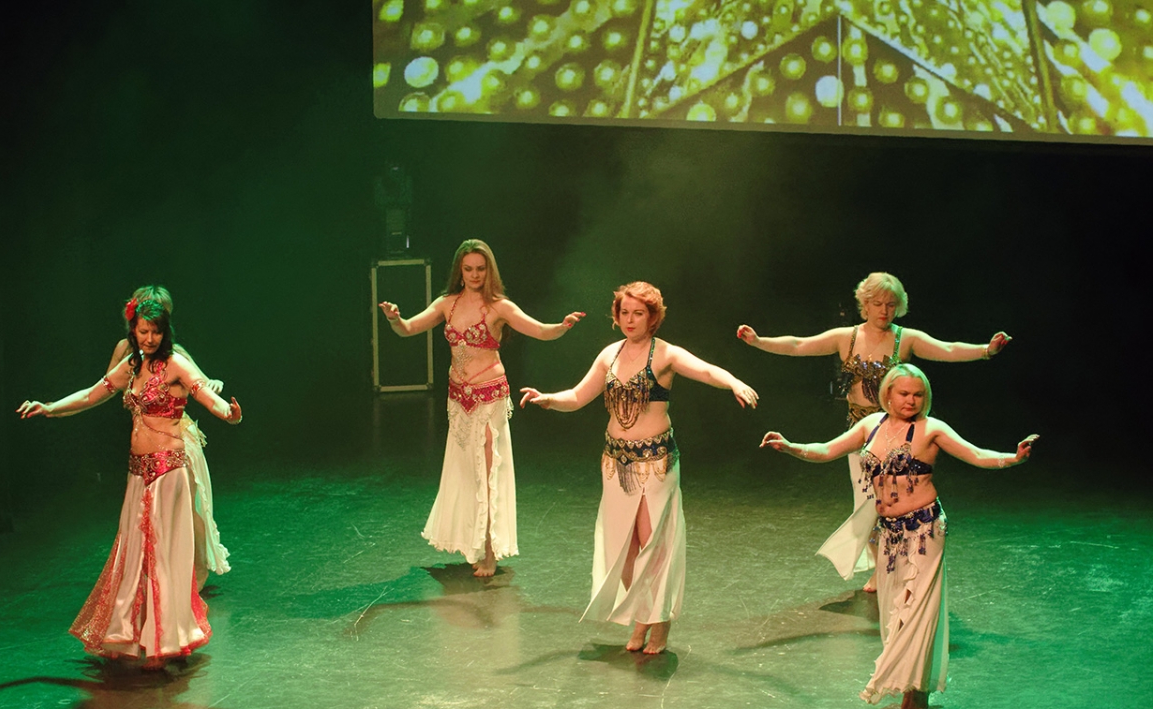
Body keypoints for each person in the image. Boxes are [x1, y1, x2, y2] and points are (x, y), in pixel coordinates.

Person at [760, 363, 1036, 709]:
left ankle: (909, 695)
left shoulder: (932, 429)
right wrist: (791, 447)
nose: (911, 400)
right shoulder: (870, 425)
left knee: (917, 610)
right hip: (888, 534)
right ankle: (918, 690)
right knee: (893, 613)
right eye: (904, 393)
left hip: (925, 531)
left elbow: (977, 454)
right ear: (888, 393)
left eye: (918, 395)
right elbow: (827, 450)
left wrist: (1013, 458)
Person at [520, 282, 759, 654]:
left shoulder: (665, 354)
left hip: (656, 464)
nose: (630, 320)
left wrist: (734, 383)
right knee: (624, 550)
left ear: (652, 318)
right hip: (616, 463)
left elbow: (707, 370)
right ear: (616, 316)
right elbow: (579, 396)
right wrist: (549, 399)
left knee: (653, 546)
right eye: (624, 313)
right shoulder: (609, 355)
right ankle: (643, 616)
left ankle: (658, 623)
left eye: (638, 313)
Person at [737, 272, 1011, 592]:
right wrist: (759, 341)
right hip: (861, 433)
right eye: (878, 304)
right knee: (867, 506)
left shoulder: (906, 338)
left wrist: (986, 350)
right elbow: (799, 345)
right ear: (864, 304)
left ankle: (903, 562)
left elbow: (948, 349)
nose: (884, 310)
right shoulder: (846, 337)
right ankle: (881, 566)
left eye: (891, 305)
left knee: (897, 503)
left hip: (900, 435)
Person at [18, 298, 241, 666]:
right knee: (134, 552)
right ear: (133, 332)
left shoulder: (176, 364)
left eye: (155, 332)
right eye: (143, 332)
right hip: (137, 472)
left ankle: (166, 638)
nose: (149, 338)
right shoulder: (132, 366)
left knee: (162, 554)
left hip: (168, 472)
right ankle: (137, 635)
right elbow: (91, 395)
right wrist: (50, 407)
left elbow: (206, 396)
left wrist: (229, 415)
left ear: (165, 333)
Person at [378, 239, 585, 577]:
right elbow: (409, 328)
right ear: (459, 271)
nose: (474, 275)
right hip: (459, 400)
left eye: (480, 269)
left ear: (489, 271)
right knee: (466, 473)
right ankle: (472, 544)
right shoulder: (447, 304)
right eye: (468, 269)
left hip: (489, 398)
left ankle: (490, 551)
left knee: (489, 474)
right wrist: (394, 319)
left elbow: (539, 330)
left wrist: (561, 327)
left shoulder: (500, 307)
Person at [106, 286, 231, 588]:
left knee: (187, 505)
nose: (151, 333)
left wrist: (212, 386)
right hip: (146, 437)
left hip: (177, 437)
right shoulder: (125, 351)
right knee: (146, 512)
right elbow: (107, 385)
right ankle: (155, 577)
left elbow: (204, 383)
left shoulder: (175, 354)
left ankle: (195, 574)